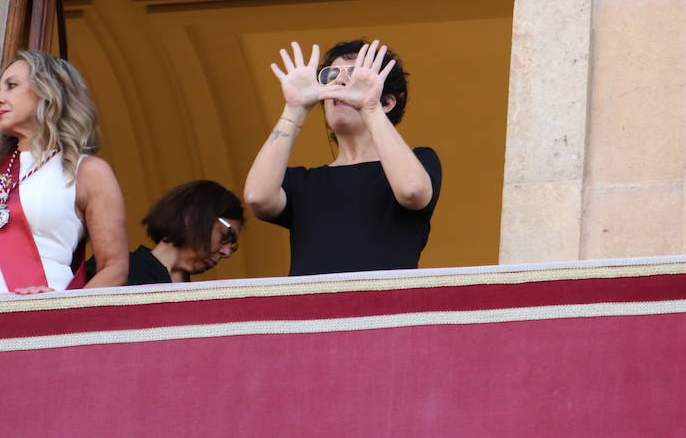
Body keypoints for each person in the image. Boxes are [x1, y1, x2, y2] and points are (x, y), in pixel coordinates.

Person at [0, 51, 128, 304]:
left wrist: (65, 312)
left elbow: (114, 267)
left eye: (11, 86)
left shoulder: (87, 172)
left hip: (40, 322)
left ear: (50, 90)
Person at [244, 39, 441, 276]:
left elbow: (413, 191)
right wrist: (294, 108)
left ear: (387, 102)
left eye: (357, 77)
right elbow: (257, 198)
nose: (341, 82)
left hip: (385, 309)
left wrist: (369, 108)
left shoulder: (418, 161)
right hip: (314, 311)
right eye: (331, 76)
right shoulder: (302, 182)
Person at [86, 180, 244, 285]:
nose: (227, 252)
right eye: (226, 235)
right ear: (192, 217)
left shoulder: (199, 301)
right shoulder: (110, 270)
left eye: (233, 245)